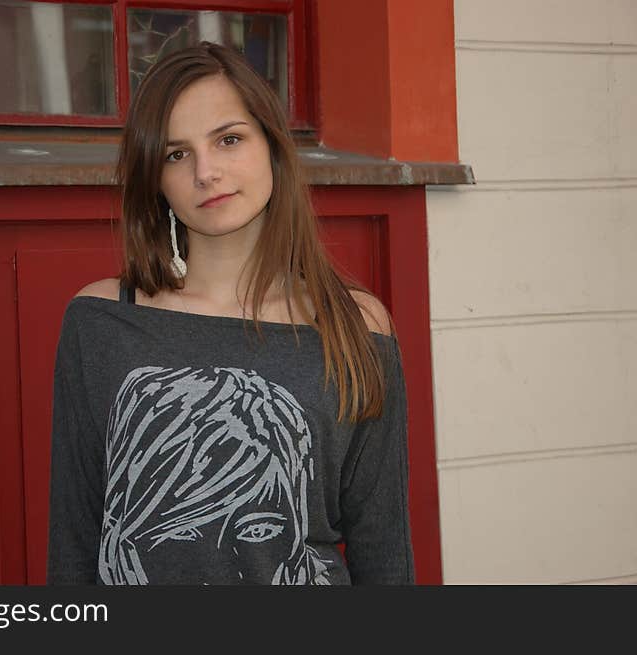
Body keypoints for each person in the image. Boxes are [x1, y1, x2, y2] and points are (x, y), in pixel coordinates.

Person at [47, 42, 414, 585]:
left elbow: (383, 550)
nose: (206, 172)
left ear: (272, 147)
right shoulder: (100, 324)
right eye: (176, 154)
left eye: (229, 139)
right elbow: (74, 543)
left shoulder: (356, 327)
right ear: (155, 180)